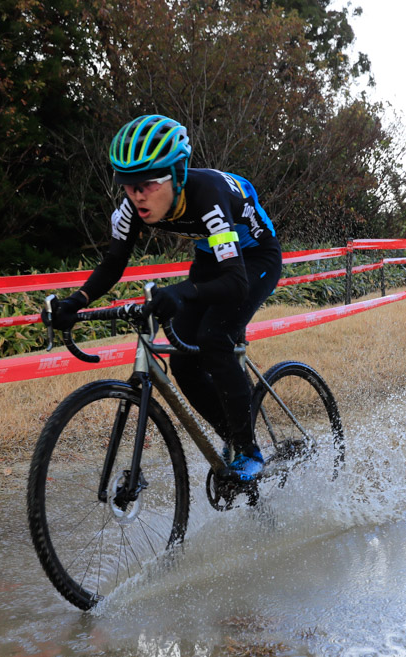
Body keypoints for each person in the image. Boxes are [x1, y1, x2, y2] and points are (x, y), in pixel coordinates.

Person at [48, 114, 282, 482]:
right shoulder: (131, 208)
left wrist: (182, 291)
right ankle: (233, 438)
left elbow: (235, 281)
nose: (137, 194)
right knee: (186, 360)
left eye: (148, 184)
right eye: (128, 184)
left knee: (213, 339)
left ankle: (250, 451)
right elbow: (113, 263)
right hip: (211, 255)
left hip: (254, 258)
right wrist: (75, 302)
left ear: (178, 174)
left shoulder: (207, 197)